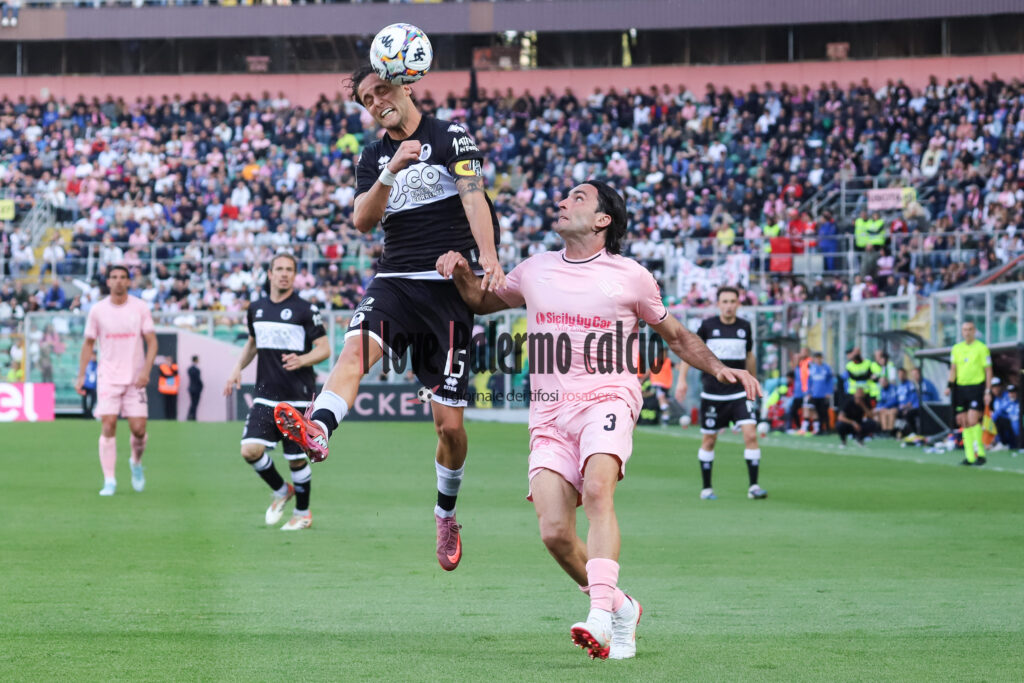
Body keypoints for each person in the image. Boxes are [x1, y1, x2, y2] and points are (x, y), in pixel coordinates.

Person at [436, 180, 761, 660]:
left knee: (596, 491)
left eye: (577, 198)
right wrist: (461, 271)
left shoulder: (631, 276)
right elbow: (482, 302)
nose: (561, 201)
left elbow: (674, 334)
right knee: (553, 532)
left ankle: (599, 618)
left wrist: (718, 367)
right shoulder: (535, 268)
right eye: (563, 195)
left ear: (603, 220)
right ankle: (622, 606)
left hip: (608, 397)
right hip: (548, 410)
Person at [273, 65, 503, 568]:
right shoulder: (374, 154)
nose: (375, 101)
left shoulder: (450, 135)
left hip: (446, 289)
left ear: (406, 85)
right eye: (366, 98)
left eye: (381, 90)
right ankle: (320, 427)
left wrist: (487, 257)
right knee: (355, 349)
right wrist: (391, 168)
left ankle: (446, 514)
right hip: (394, 281)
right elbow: (362, 220)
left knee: (449, 429)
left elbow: (472, 196)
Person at [224, 253, 330, 531]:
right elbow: (252, 343)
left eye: (289, 270)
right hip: (265, 395)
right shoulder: (256, 308)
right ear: (269, 274)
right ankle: (282, 490)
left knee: (296, 460)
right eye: (279, 269)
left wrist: (302, 359)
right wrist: (237, 367)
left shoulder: (306, 309)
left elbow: (324, 348)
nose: (284, 274)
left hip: (297, 395)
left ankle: (303, 514)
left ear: (295, 276)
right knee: (250, 450)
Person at [675, 286, 768, 501]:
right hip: (713, 394)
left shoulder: (745, 327)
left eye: (732, 301)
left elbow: (749, 356)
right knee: (709, 440)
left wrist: (752, 381)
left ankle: (754, 486)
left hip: (738, 393)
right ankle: (706, 488)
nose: (728, 305)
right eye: (724, 301)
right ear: (718, 304)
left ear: (738, 304)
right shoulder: (707, 327)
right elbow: (690, 352)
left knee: (751, 434)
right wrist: (681, 380)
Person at [74, 265, 157, 496]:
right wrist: (81, 375)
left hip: (135, 379)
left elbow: (152, 342)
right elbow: (88, 344)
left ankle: (136, 463)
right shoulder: (98, 310)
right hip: (108, 377)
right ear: (108, 282)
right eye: (114, 277)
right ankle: (109, 480)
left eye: (122, 277)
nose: (118, 281)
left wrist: (146, 371)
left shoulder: (140, 308)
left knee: (139, 430)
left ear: (129, 282)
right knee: (108, 424)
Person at [946, 322, 992, 466]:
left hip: (976, 387)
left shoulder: (982, 348)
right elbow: (953, 369)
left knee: (973, 420)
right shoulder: (956, 348)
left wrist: (988, 390)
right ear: (961, 332)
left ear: (974, 331)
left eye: (970, 329)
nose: (967, 332)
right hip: (960, 388)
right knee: (963, 422)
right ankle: (970, 456)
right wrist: (949, 386)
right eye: (965, 330)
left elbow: (988, 370)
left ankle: (981, 454)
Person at [804, 351, 834, 434]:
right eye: (816, 358)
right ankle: (819, 429)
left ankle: (827, 429)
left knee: (825, 412)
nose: (817, 359)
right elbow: (809, 381)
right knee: (816, 412)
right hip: (815, 394)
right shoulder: (812, 368)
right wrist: (808, 392)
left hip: (824, 394)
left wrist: (829, 392)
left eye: (819, 358)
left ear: (822, 358)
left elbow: (830, 381)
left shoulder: (826, 368)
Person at [991, 382, 1020, 451]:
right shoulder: (1006, 403)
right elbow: (996, 415)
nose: (1012, 394)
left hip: (1020, 428)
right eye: (1010, 392)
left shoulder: (1020, 402)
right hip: (1012, 431)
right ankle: (1003, 443)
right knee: (1000, 420)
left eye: (1013, 392)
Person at [82, 350, 98, 419]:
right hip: (86, 385)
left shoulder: (98, 364)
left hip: (93, 386)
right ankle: (85, 413)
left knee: (93, 400)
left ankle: (90, 412)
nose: (94, 357)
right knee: (84, 399)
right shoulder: (87, 364)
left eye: (95, 355)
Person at [187, 355, 203, 421]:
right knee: (194, 403)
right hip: (196, 389)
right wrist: (201, 386)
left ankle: (192, 416)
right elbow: (197, 379)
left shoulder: (190, 369)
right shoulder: (195, 369)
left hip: (192, 388)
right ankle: (192, 416)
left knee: (193, 403)